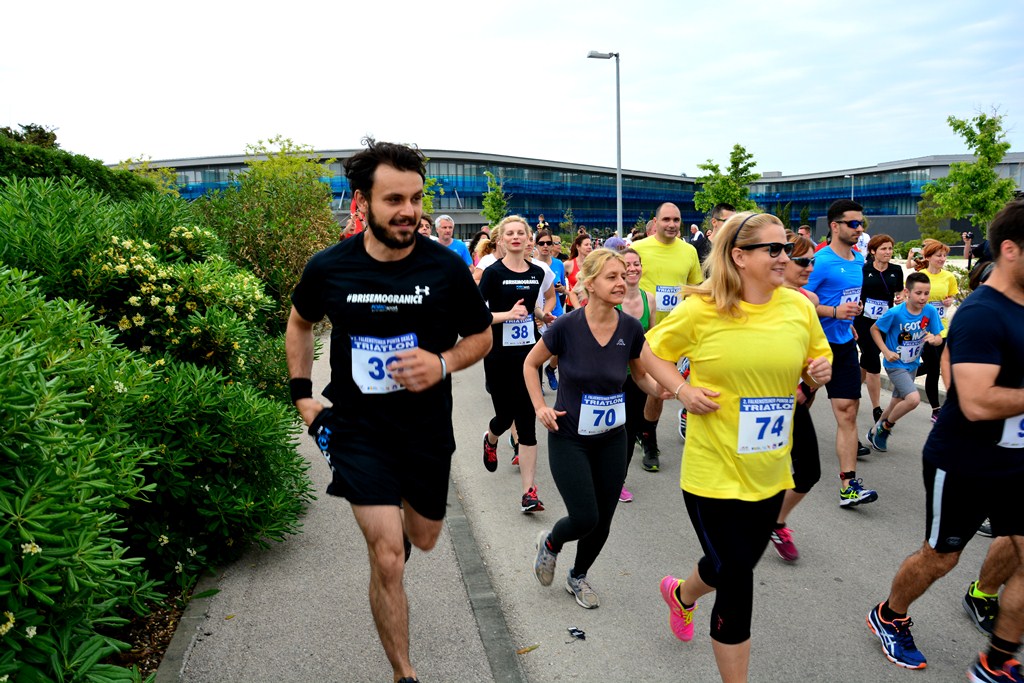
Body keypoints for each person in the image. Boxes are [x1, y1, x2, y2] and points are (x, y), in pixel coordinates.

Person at [286, 139, 492, 683]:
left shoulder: (445, 268)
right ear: (362, 202)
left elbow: (481, 336)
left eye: (415, 199)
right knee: (387, 557)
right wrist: (303, 394)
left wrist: (442, 363)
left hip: (425, 430)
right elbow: (300, 322)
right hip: (358, 429)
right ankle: (404, 673)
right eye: (394, 199)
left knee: (422, 538)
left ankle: (396, 528)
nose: (408, 211)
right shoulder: (329, 268)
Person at [642, 212, 832, 683]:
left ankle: (681, 594)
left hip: (769, 470)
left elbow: (817, 358)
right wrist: (683, 390)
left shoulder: (798, 307)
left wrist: (817, 372)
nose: (785, 257)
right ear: (740, 256)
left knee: (732, 563)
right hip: (713, 471)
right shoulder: (702, 309)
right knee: (737, 578)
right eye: (774, 249)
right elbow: (650, 351)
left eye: (787, 248)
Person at [866, 199, 1024, 681]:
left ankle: (996, 662)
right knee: (941, 557)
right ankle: (890, 614)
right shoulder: (982, 313)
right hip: (965, 460)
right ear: (1011, 249)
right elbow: (975, 401)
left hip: (1018, 459)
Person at [526, 249, 664, 608]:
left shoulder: (630, 328)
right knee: (585, 516)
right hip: (569, 436)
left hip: (612, 438)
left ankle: (578, 576)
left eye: (623, 275)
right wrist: (540, 406)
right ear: (590, 284)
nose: (621, 282)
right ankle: (551, 542)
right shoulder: (566, 327)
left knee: (603, 520)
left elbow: (640, 374)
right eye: (611, 277)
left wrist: (662, 389)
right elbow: (530, 363)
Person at [804, 199, 877, 508]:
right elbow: (797, 298)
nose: (859, 228)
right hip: (814, 344)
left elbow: (847, 297)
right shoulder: (820, 261)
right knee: (799, 402)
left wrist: (850, 317)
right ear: (835, 226)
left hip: (844, 343)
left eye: (862, 223)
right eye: (853, 223)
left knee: (847, 410)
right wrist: (833, 311)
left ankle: (849, 485)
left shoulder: (859, 259)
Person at [479, 216, 548, 512]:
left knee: (528, 422)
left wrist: (542, 316)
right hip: (498, 355)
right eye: (510, 233)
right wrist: (507, 315)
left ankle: (528, 493)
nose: (516, 237)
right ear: (501, 240)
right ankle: (491, 437)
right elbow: (474, 315)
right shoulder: (493, 273)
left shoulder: (537, 272)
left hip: (530, 355)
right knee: (505, 417)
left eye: (521, 232)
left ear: (529, 238)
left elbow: (531, 306)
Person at [631, 202, 704, 472]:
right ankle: (634, 434)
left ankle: (648, 438)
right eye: (666, 219)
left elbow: (696, 289)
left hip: (675, 334)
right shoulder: (639, 248)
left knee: (659, 391)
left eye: (676, 220)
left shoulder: (689, 251)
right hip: (641, 329)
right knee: (635, 388)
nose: (672, 224)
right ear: (656, 221)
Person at [770, 232, 826, 562]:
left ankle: (775, 521)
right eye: (802, 261)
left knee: (808, 472)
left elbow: (816, 354)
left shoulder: (807, 302)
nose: (809, 267)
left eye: (812, 262)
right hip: (755, 404)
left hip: (793, 401)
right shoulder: (759, 300)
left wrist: (808, 385)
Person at [865, 272, 942, 452]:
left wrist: (934, 339)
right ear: (907, 292)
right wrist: (886, 351)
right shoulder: (896, 313)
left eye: (926, 293)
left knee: (896, 401)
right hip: (895, 364)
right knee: (913, 399)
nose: (923, 297)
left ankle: (874, 431)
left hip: (912, 364)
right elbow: (874, 329)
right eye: (918, 293)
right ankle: (886, 427)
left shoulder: (930, 311)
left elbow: (938, 337)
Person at [617, 247, 657, 503]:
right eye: (627, 265)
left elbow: (652, 339)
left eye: (636, 264)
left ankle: (618, 480)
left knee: (631, 429)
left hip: (637, 375)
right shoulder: (612, 297)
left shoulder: (649, 299)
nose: (632, 269)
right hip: (611, 376)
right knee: (609, 429)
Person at [854, 234, 905, 424]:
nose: (888, 252)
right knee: (873, 360)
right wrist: (857, 303)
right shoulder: (863, 269)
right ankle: (877, 408)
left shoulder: (896, 270)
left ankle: (853, 391)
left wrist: (900, 297)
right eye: (883, 249)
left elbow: (899, 291)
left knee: (867, 359)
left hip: (884, 322)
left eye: (890, 248)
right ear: (873, 251)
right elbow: (855, 290)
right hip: (863, 321)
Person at [911, 238, 958, 423]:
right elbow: (910, 300)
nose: (942, 259)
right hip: (923, 329)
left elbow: (952, 297)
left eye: (944, 256)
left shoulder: (949, 277)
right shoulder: (919, 277)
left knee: (934, 366)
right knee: (934, 367)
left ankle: (905, 374)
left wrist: (949, 301)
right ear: (928, 257)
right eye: (939, 255)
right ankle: (936, 409)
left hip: (942, 329)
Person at [535, 228, 567, 390]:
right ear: (536, 245)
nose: (546, 246)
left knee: (561, 347)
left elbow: (563, 289)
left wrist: (560, 289)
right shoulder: (531, 263)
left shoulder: (558, 264)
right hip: (537, 313)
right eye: (542, 243)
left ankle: (551, 369)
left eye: (549, 243)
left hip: (556, 311)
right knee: (538, 350)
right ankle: (537, 382)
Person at [564, 233, 593, 309]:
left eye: (590, 245)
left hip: (590, 306)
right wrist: (570, 293)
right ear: (578, 246)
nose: (589, 247)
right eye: (586, 245)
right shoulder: (568, 264)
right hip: (572, 305)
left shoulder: (594, 265)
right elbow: (558, 285)